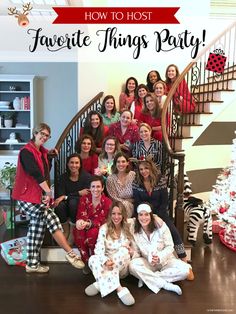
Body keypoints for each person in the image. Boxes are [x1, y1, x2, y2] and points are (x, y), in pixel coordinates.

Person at [12, 123, 85, 273]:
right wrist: (48, 192)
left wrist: (50, 157)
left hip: (37, 196)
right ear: (35, 133)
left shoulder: (42, 152)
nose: (44, 137)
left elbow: (45, 172)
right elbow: (35, 173)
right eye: (42, 134)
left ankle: (32, 264)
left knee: (37, 227)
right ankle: (70, 253)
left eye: (47, 135)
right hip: (25, 196)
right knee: (50, 216)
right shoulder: (26, 152)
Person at [129, 203, 193, 295]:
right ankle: (165, 285)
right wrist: (133, 253)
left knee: (185, 270)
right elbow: (138, 253)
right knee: (132, 266)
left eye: (146, 214)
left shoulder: (161, 227)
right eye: (141, 214)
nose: (143, 218)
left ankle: (147, 278)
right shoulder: (134, 230)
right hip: (148, 262)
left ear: (151, 215)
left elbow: (170, 246)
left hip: (166, 261)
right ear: (137, 216)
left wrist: (159, 257)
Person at [132, 158, 187, 259]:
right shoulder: (136, 182)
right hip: (143, 214)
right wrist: (147, 215)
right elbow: (138, 203)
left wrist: (156, 215)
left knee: (173, 231)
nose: (143, 171)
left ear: (151, 168)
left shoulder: (161, 180)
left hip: (160, 213)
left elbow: (164, 201)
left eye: (146, 168)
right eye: (141, 169)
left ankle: (183, 258)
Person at [85, 201, 135, 306]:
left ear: (123, 215)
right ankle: (118, 288)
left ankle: (100, 284)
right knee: (92, 259)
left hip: (121, 267)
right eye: (113, 213)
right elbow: (98, 249)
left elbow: (143, 217)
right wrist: (105, 260)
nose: (116, 217)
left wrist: (156, 216)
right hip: (106, 265)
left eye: (119, 214)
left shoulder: (129, 226)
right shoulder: (104, 228)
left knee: (124, 251)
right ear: (110, 214)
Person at [73, 176, 112, 273]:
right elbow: (80, 215)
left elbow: (104, 220)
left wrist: (89, 224)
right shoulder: (84, 199)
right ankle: (86, 261)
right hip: (85, 224)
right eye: (93, 187)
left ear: (102, 188)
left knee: (93, 233)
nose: (96, 189)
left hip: (99, 227)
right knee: (78, 231)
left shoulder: (107, 202)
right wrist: (79, 222)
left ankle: (96, 261)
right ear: (90, 188)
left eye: (98, 187)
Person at [54, 153, 91, 241]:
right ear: (68, 164)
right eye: (71, 162)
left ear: (80, 164)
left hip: (78, 204)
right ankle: (65, 228)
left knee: (73, 202)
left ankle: (73, 229)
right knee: (59, 205)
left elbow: (86, 195)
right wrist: (78, 193)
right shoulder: (63, 177)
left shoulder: (86, 177)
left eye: (76, 163)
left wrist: (67, 196)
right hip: (66, 204)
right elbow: (61, 195)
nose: (74, 165)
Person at [106, 152, 135, 218]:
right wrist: (126, 201)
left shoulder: (133, 175)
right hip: (117, 205)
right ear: (115, 164)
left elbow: (137, 193)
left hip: (133, 204)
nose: (121, 164)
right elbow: (113, 197)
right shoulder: (110, 179)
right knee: (124, 205)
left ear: (127, 163)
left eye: (123, 161)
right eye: (118, 162)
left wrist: (131, 201)